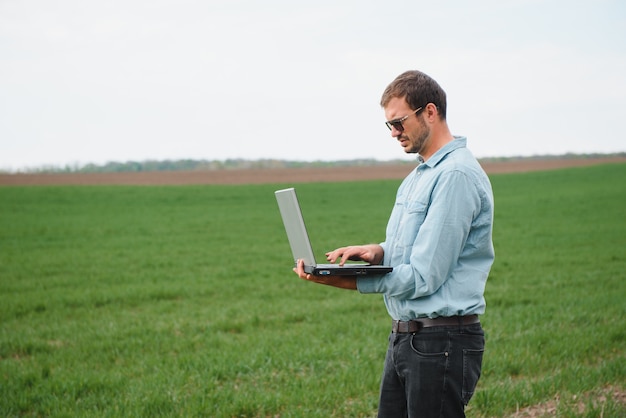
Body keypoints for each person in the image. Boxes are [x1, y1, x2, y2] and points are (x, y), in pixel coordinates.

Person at [294, 70, 495, 417]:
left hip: (440, 343)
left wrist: (347, 279)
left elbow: (423, 275)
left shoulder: (455, 176)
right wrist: (377, 252)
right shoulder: (420, 176)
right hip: (407, 338)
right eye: (389, 125)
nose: (394, 133)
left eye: (399, 122)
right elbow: (412, 250)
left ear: (429, 112)